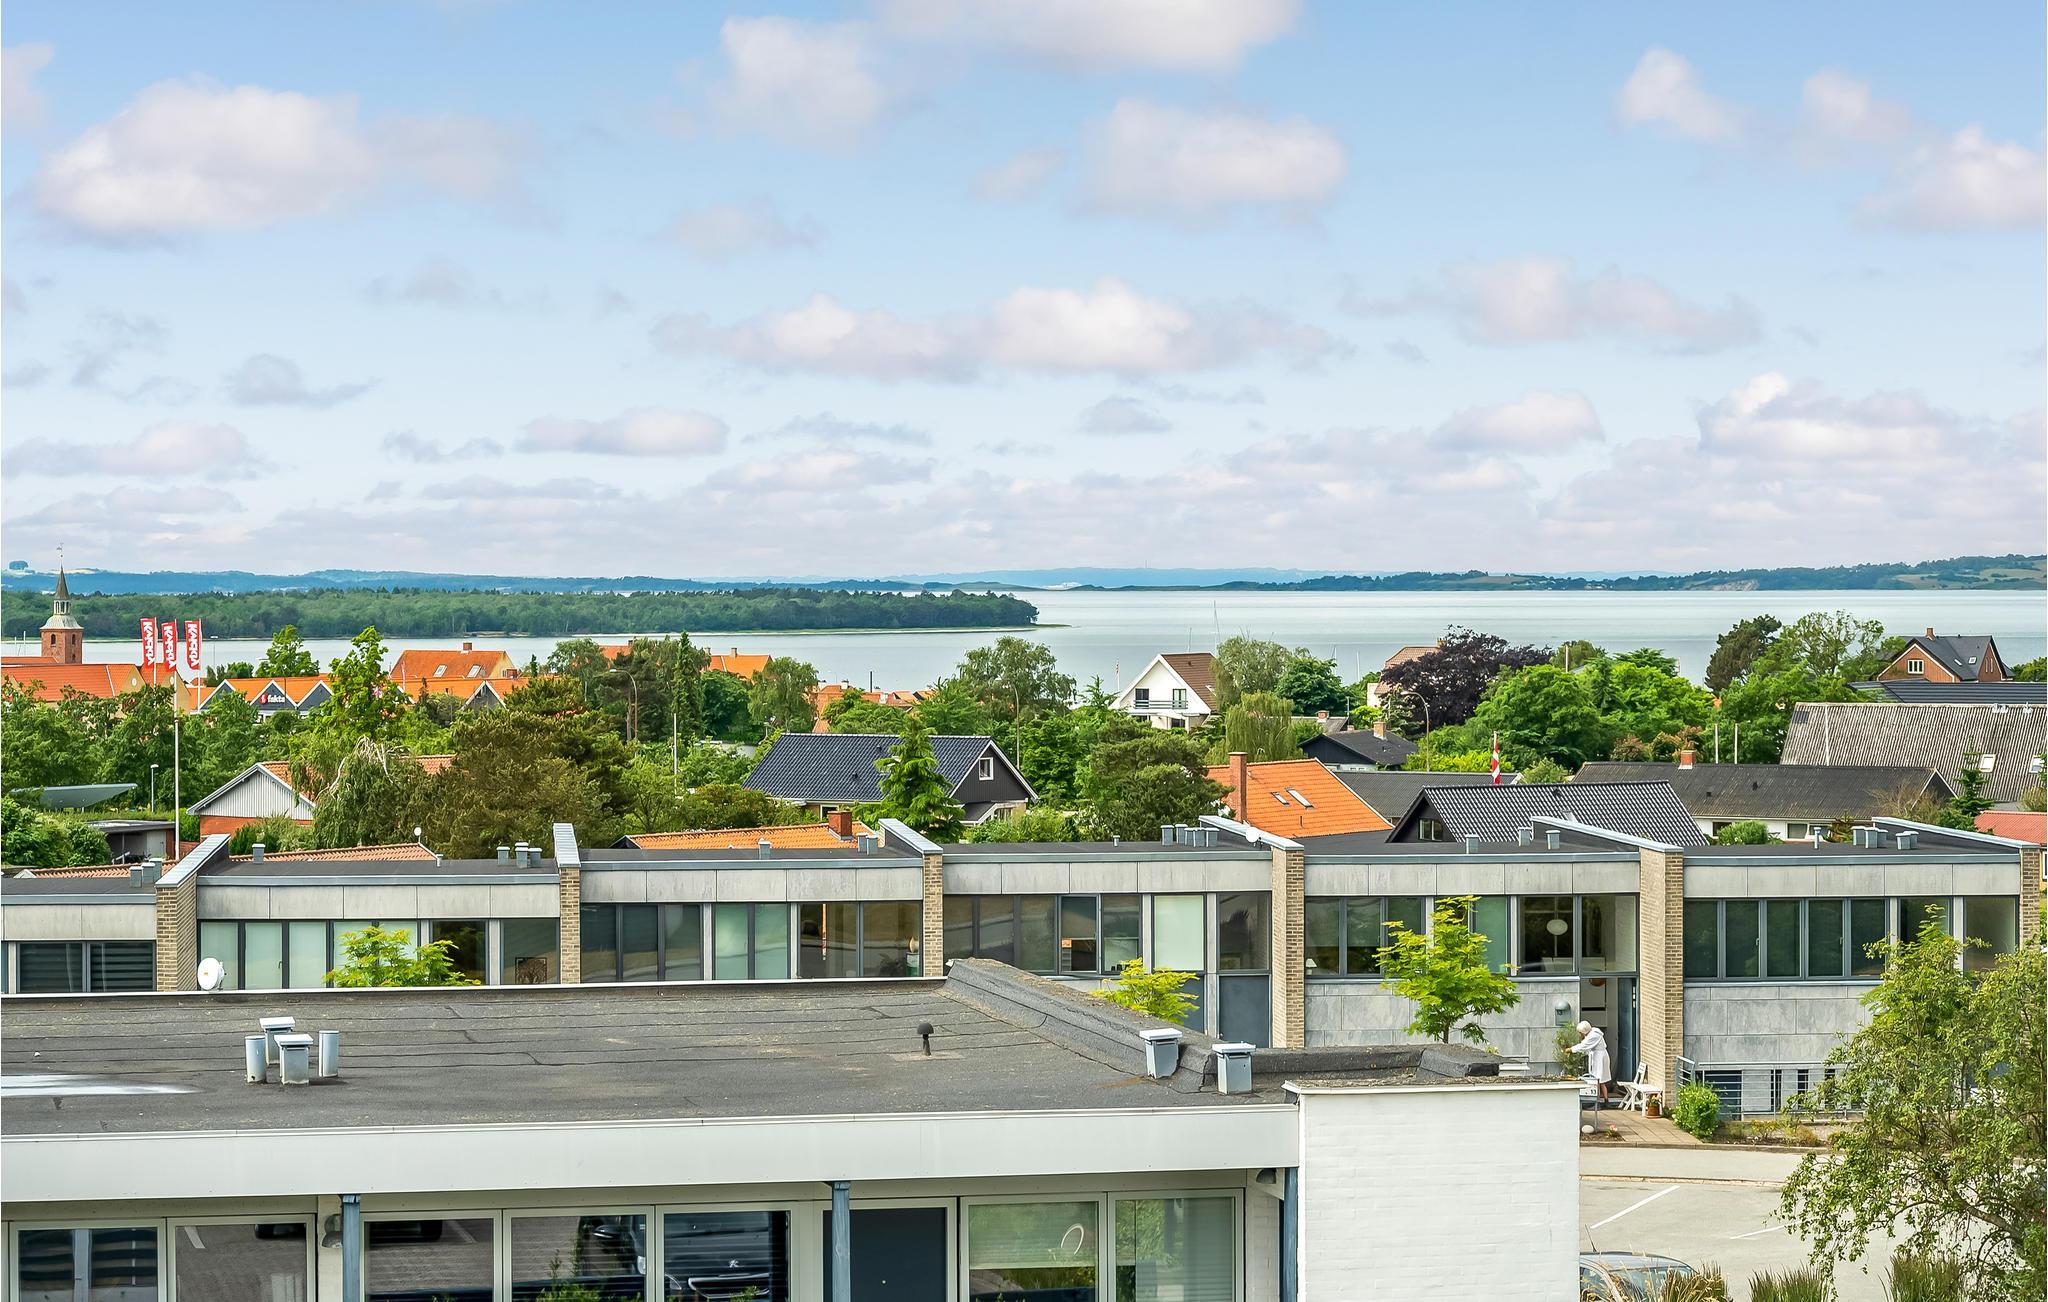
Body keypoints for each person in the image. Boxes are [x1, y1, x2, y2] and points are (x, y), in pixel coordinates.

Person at [1568, 1020, 1611, 1106]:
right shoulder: (1594, 1032)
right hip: (1599, 1056)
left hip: (1599, 1057)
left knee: (1597, 1080)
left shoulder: (1593, 1036)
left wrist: (1571, 1049)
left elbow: (1584, 1045)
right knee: (1601, 1080)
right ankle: (1606, 1101)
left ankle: (1597, 1103)